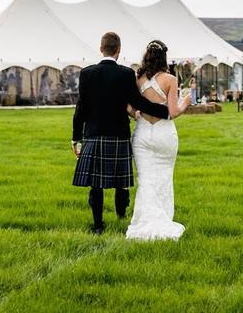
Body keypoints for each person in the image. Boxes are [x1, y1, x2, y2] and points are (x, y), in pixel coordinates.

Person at [71, 32, 176, 235]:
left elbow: (80, 109)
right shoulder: (126, 74)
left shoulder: (86, 73)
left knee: (96, 184)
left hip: (94, 135)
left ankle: (98, 225)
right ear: (118, 50)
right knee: (121, 183)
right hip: (118, 135)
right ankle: (121, 217)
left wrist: (76, 137)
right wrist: (167, 112)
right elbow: (139, 103)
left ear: (101, 48)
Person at [125, 40, 191, 241]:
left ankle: (144, 221)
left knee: (145, 180)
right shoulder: (170, 79)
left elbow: (129, 107)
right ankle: (162, 219)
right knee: (164, 178)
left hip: (143, 134)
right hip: (164, 135)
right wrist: (185, 103)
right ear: (164, 58)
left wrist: (135, 115)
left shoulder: (137, 79)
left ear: (146, 56)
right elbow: (172, 112)